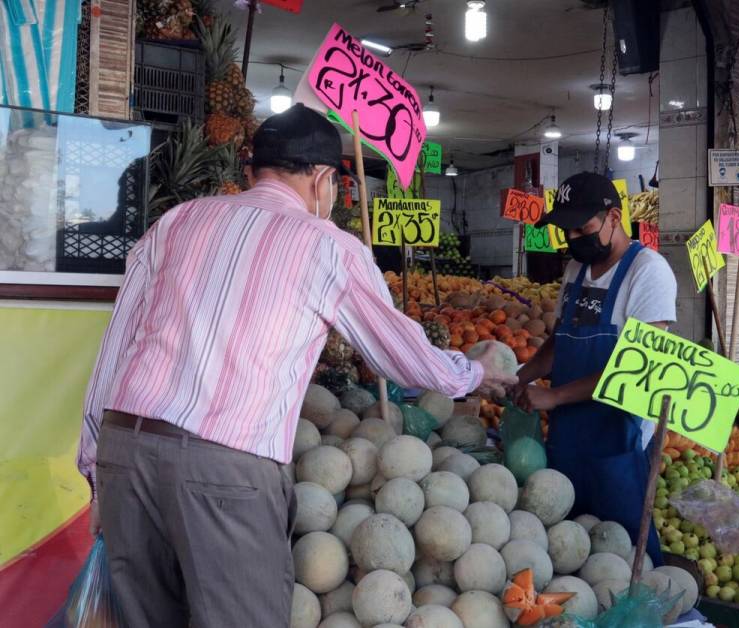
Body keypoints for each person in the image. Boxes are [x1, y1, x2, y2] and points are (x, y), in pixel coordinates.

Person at [76, 104, 516, 628]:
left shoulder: (178, 220)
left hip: (126, 450)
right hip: (226, 471)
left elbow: (117, 344)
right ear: (325, 179)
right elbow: (404, 358)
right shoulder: (328, 246)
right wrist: (470, 373)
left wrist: (96, 471)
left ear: (251, 171)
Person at [514, 171, 677, 566]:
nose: (573, 239)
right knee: (568, 553)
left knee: (620, 558)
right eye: (566, 230)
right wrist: (520, 376)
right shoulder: (576, 270)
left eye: (582, 228)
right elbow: (561, 339)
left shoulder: (648, 272)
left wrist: (552, 395)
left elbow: (639, 369)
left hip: (616, 445)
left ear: (613, 218)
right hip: (567, 436)